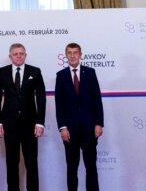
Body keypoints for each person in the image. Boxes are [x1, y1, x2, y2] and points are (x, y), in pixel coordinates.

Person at [0, 43, 46, 191]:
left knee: (31, 163)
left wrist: (40, 123)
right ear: (10, 56)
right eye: (15, 54)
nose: (18, 56)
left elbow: (41, 98)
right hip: (9, 125)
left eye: (21, 53)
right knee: (11, 162)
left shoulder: (35, 71)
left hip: (30, 125)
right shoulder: (2, 72)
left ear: (25, 55)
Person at [55, 42, 104, 191]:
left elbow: (97, 100)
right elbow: (59, 104)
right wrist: (62, 127)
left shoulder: (90, 73)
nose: (72, 55)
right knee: (72, 167)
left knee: (91, 167)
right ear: (66, 55)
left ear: (80, 55)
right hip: (70, 130)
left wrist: (98, 123)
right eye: (69, 53)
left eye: (75, 52)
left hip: (89, 128)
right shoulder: (61, 76)